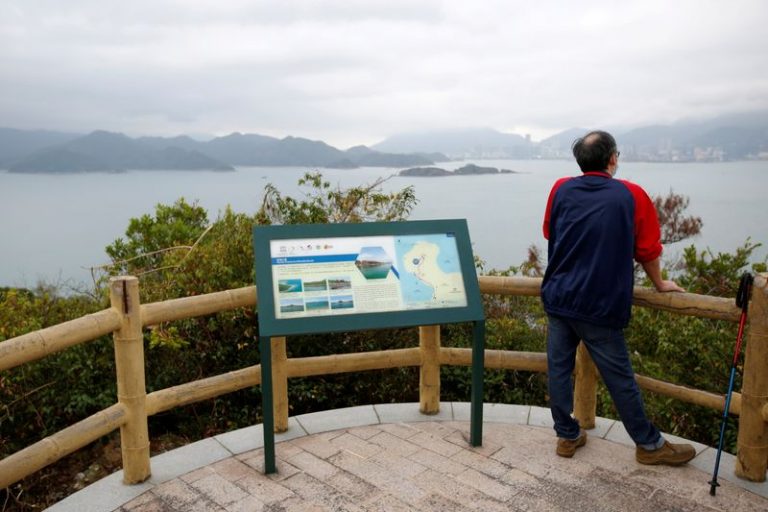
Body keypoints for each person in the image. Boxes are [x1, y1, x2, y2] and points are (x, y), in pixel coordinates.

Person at [541, 130, 695, 466]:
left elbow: (550, 232)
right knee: (620, 379)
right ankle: (649, 445)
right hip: (599, 304)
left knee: (558, 369)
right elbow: (647, 250)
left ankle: (567, 435)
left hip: (559, 297)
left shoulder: (560, 188)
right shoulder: (631, 194)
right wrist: (659, 283)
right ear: (612, 158)